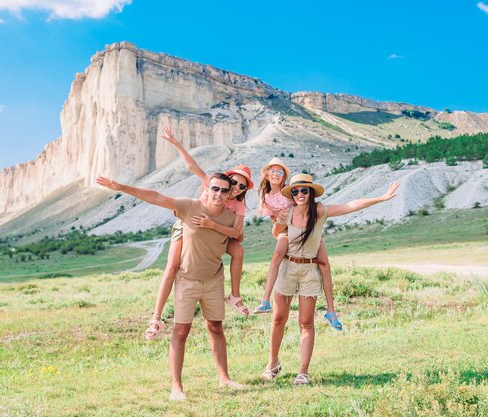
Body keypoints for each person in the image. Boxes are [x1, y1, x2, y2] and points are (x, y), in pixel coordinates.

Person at [96, 173, 244, 401]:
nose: (220, 194)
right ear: (207, 187)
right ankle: (176, 387)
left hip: (214, 279)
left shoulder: (230, 217)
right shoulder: (189, 206)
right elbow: (156, 197)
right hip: (187, 280)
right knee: (181, 331)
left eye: (225, 190)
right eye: (215, 189)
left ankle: (224, 378)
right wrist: (120, 186)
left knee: (216, 327)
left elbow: (237, 238)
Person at [262, 174, 399, 385]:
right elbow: (276, 232)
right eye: (296, 191)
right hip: (287, 267)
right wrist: (279, 226)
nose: (299, 194)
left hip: (309, 269)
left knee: (306, 322)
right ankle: (273, 363)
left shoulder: (320, 211)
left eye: (304, 191)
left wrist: (380, 199)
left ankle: (303, 371)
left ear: (311, 193)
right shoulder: (287, 212)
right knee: (279, 318)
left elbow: (350, 206)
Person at [145, 127, 252, 341]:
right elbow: (192, 166)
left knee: (238, 250)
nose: (236, 188)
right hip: (190, 226)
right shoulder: (215, 185)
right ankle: (156, 317)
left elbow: (238, 234)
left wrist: (211, 225)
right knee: (172, 267)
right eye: (234, 183)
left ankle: (235, 295)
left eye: (243, 186)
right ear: (227, 180)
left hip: (216, 233)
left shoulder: (239, 204)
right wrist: (176, 143)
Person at [253, 159, 341, 331]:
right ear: (266, 174)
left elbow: (310, 205)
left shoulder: (293, 189)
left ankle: (331, 311)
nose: (275, 175)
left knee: (324, 265)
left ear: (285, 175)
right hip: (287, 231)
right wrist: (280, 222)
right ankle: (265, 300)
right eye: (272, 171)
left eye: (279, 172)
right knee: (277, 256)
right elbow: (275, 224)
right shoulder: (267, 197)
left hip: (308, 232)